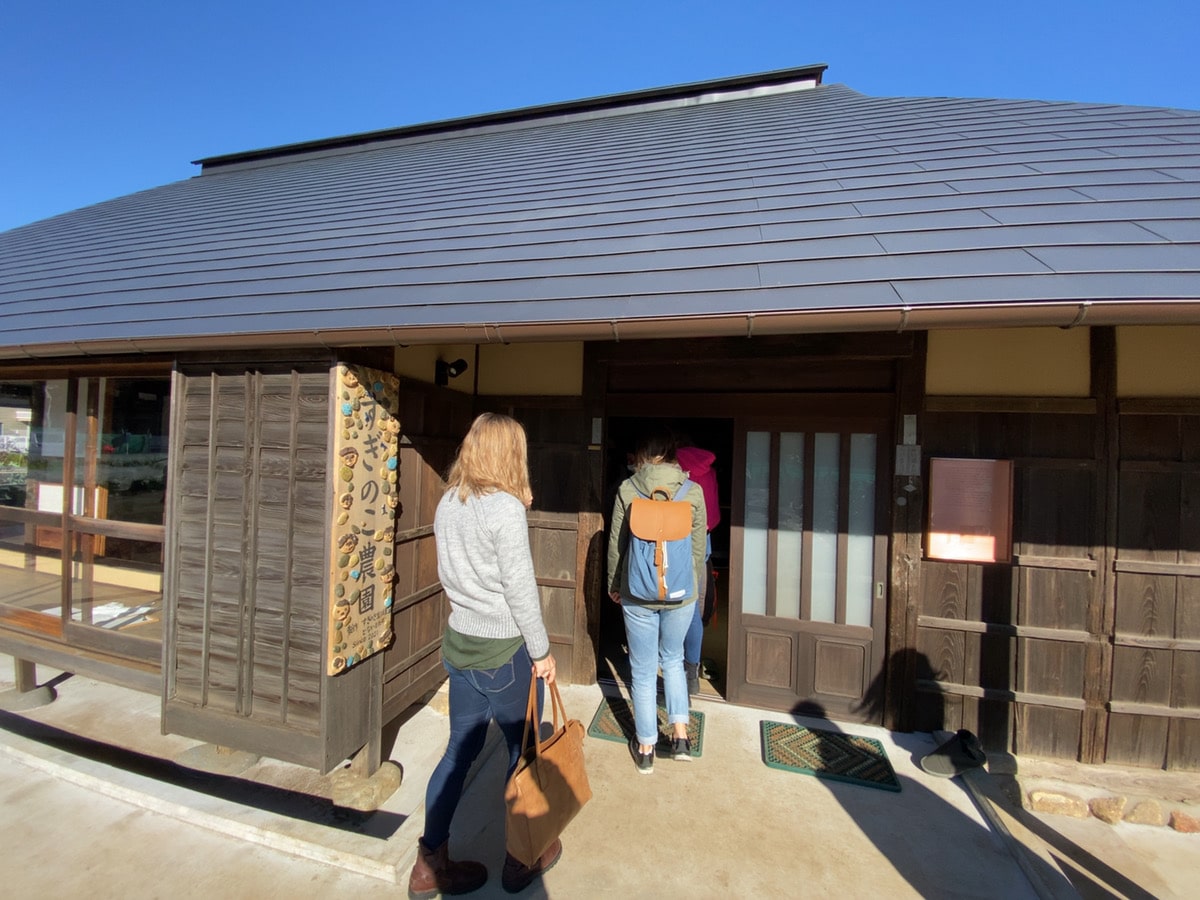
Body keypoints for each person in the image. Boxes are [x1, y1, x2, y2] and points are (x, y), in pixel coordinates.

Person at [408, 412, 561, 899]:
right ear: (510, 453)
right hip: (503, 650)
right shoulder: (504, 509)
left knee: (459, 751)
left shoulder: (450, 501)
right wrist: (542, 652)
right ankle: (523, 857)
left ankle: (428, 866)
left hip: (460, 647)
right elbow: (519, 590)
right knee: (524, 753)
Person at [607, 429, 707, 774]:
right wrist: (689, 586)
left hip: (637, 592)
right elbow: (697, 548)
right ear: (671, 454)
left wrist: (614, 585)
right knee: (674, 660)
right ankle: (680, 736)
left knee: (643, 669)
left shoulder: (627, 489)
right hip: (680, 594)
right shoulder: (692, 491)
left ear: (644, 456)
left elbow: (617, 546)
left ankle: (647, 745)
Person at [676, 442, 721, 697]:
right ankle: (691, 672)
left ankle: (670, 664)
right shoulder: (708, 471)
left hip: (674, 539)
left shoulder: (675, 467)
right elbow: (713, 518)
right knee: (692, 605)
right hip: (702, 539)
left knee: (665, 602)